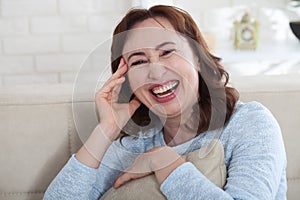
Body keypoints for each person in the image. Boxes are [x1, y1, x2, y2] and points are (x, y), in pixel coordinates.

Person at [44, 5, 287, 200]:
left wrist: (164, 162)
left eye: (167, 52)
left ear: (199, 60)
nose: (156, 72)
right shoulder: (136, 144)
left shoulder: (249, 122)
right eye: (139, 62)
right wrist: (106, 129)